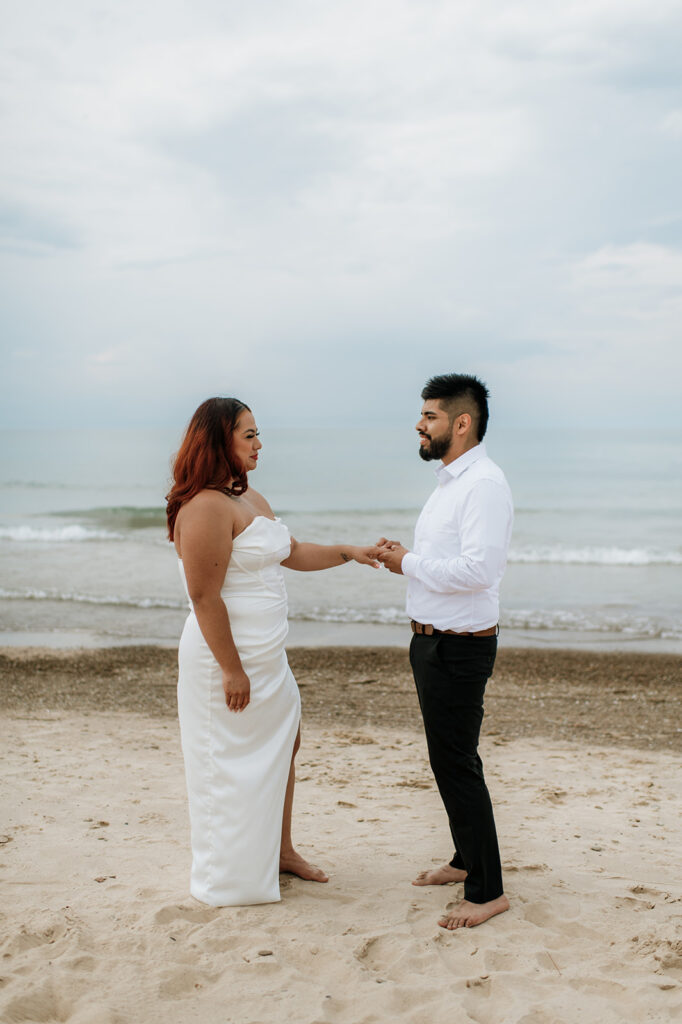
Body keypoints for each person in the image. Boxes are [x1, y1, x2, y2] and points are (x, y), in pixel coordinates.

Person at [166, 396, 380, 907]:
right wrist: (232, 670)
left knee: (286, 745)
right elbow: (204, 596)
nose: (260, 444)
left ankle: (281, 850)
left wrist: (351, 552)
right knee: (226, 761)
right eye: (249, 435)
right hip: (226, 660)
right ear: (220, 441)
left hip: (269, 656)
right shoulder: (204, 507)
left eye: (258, 434)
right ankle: (230, 873)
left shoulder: (250, 498)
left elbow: (291, 552)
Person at [376, 373, 513, 929]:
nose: (419, 423)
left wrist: (405, 561)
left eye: (430, 415)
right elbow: (444, 562)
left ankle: (489, 892)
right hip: (431, 641)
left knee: (457, 764)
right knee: (448, 760)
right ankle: (465, 861)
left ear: (462, 422)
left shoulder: (482, 484)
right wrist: (403, 559)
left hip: (461, 648)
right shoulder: (450, 481)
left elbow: (480, 571)